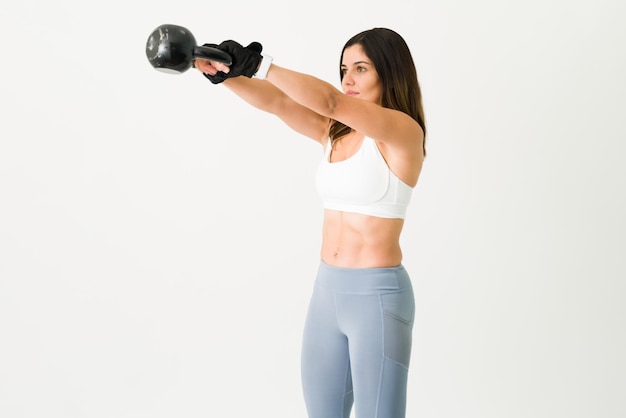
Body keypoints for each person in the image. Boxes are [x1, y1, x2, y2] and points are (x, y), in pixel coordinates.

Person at [194, 27, 426, 418]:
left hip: (377, 298)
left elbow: (331, 101)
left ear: (389, 72)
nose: (348, 79)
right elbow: (278, 104)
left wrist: (263, 65)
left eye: (361, 68)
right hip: (326, 293)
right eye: (343, 68)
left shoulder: (402, 132)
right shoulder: (333, 134)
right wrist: (226, 73)